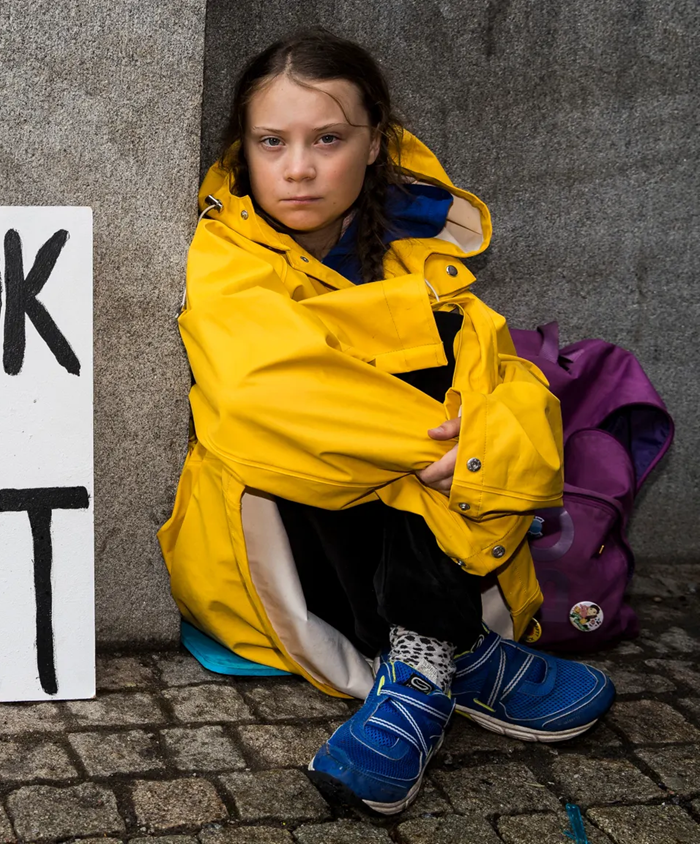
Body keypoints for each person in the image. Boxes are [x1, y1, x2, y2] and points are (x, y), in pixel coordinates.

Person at [158, 29, 615, 815]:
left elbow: (515, 390)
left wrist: (482, 439)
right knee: (338, 422)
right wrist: (460, 452)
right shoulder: (228, 251)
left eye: (327, 139)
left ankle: (421, 667)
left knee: (441, 369)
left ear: (376, 145)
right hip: (301, 558)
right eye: (272, 142)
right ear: (245, 148)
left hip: (410, 552)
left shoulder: (419, 252)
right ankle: (452, 652)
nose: (297, 167)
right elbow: (266, 397)